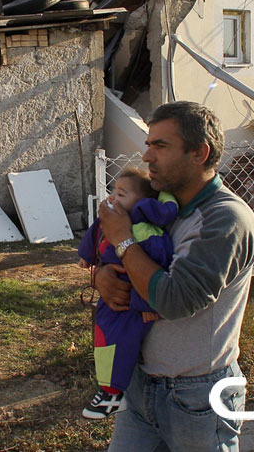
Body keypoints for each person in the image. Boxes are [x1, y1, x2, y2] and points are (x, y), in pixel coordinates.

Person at [95, 101, 254, 451]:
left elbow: (174, 300)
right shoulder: (162, 207)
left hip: (197, 396)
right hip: (141, 384)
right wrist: (101, 276)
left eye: (161, 146)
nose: (147, 156)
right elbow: (126, 261)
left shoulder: (225, 219)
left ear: (200, 153)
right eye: (148, 144)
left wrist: (122, 239)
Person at [78, 166, 178, 419]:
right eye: (114, 191)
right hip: (112, 295)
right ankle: (108, 388)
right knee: (103, 336)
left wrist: (148, 305)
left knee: (119, 340)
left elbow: (159, 266)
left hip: (132, 301)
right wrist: (89, 259)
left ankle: (112, 392)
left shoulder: (146, 230)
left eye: (122, 194)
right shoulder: (112, 218)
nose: (113, 197)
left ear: (143, 203)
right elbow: (95, 232)